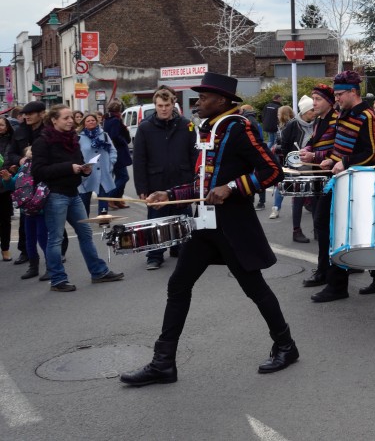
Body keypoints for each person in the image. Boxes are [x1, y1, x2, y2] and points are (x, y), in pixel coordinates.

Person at [120, 72, 295, 386]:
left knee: (254, 289)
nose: (197, 102)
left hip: (232, 227)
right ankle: (163, 363)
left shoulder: (239, 128)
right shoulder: (205, 129)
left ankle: (286, 345)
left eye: (203, 97)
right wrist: (170, 195)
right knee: (178, 285)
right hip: (203, 224)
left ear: (223, 101)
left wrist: (233, 187)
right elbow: (202, 185)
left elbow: (272, 171)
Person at [309, 70, 375, 304]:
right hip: (342, 179)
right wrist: (332, 158)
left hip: (357, 181)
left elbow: (374, 151)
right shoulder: (344, 113)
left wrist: (344, 162)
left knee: (332, 227)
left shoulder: (367, 116)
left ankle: (337, 284)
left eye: (340, 94)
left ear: (353, 92)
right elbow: (342, 147)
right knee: (336, 227)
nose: (337, 98)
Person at [31, 105, 125, 292]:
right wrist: (69, 168)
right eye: (66, 118)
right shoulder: (42, 142)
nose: (70, 121)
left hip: (73, 193)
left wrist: (84, 170)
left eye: (71, 118)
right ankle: (58, 279)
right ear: (54, 120)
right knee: (56, 239)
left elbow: (79, 161)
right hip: (55, 195)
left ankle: (98, 272)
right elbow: (38, 172)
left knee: (86, 234)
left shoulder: (73, 138)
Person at [133, 86, 198, 270]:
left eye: (167, 105)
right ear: (155, 105)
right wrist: (141, 188)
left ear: (173, 104)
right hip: (156, 182)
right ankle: (154, 255)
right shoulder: (145, 127)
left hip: (182, 181)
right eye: (160, 105)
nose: (163, 109)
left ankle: (180, 249)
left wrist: (196, 181)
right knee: (156, 221)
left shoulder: (187, 125)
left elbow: (195, 155)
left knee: (183, 220)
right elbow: (139, 159)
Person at [299, 85, 341, 289]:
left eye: (318, 99)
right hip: (320, 176)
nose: (314, 103)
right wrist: (308, 148)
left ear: (329, 101)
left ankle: (327, 271)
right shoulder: (319, 120)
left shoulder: (337, 119)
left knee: (325, 226)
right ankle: (324, 269)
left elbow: (339, 149)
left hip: (333, 177)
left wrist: (315, 156)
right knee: (321, 226)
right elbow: (316, 142)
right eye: (313, 98)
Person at [11, 101, 53, 271]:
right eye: (25, 114)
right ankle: (31, 261)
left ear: (42, 114)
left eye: (31, 113)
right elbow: (11, 154)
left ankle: (54, 263)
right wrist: (19, 160)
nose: (26, 116)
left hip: (44, 185)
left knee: (47, 229)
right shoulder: (20, 131)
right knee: (27, 230)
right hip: (25, 187)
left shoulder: (48, 132)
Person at [276, 96, 315, 243]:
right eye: (311, 110)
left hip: (314, 166)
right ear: (304, 112)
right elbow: (284, 145)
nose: (314, 112)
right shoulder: (292, 125)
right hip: (297, 167)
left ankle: (317, 229)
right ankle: (296, 231)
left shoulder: (317, 123)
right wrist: (290, 162)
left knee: (316, 198)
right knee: (298, 199)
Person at [77, 112, 117, 217]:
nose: (91, 122)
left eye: (93, 120)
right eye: (88, 121)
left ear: (97, 121)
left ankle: (103, 221)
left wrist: (111, 162)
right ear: (84, 123)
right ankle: (85, 223)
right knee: (84, 199)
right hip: (87, 173)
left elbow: (113, 150)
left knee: (103, 198)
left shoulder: (104, 135)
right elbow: (75, 154)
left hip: (104, 172)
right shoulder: (79, 138)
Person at [103, 100, 132, 210]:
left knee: (120, 176)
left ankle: (118, 200)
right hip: (117, 152)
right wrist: (124, 142)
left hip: (114, 151)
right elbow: (114, 136)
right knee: (124, 177)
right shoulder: (115, 120)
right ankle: (111, 198)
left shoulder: (107, 119)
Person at [239, 104, 268, 210]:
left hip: (254, 153)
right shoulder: (252, 119)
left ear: (244, 110)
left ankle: (261, 201)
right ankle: (259, 200)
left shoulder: (248, 120)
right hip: (256, 152)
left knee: (256, 178)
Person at [268, 104, 294, 219]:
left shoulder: (291, 126)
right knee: (281, 184)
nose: (277, 116)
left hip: (289, 160)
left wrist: (275, 148)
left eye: (279, 114)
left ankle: (277, 208)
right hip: (282, 159)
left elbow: (287, 145)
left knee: (285, 183)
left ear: (283, 115)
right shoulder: (281, 126)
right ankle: (276, 208)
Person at [0, 116, 16, 261]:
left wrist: (11, 170)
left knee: (5, 219)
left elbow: (14, 158)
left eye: (1, 125)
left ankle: (5, 248)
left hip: (4, 184)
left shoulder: (12, 140)